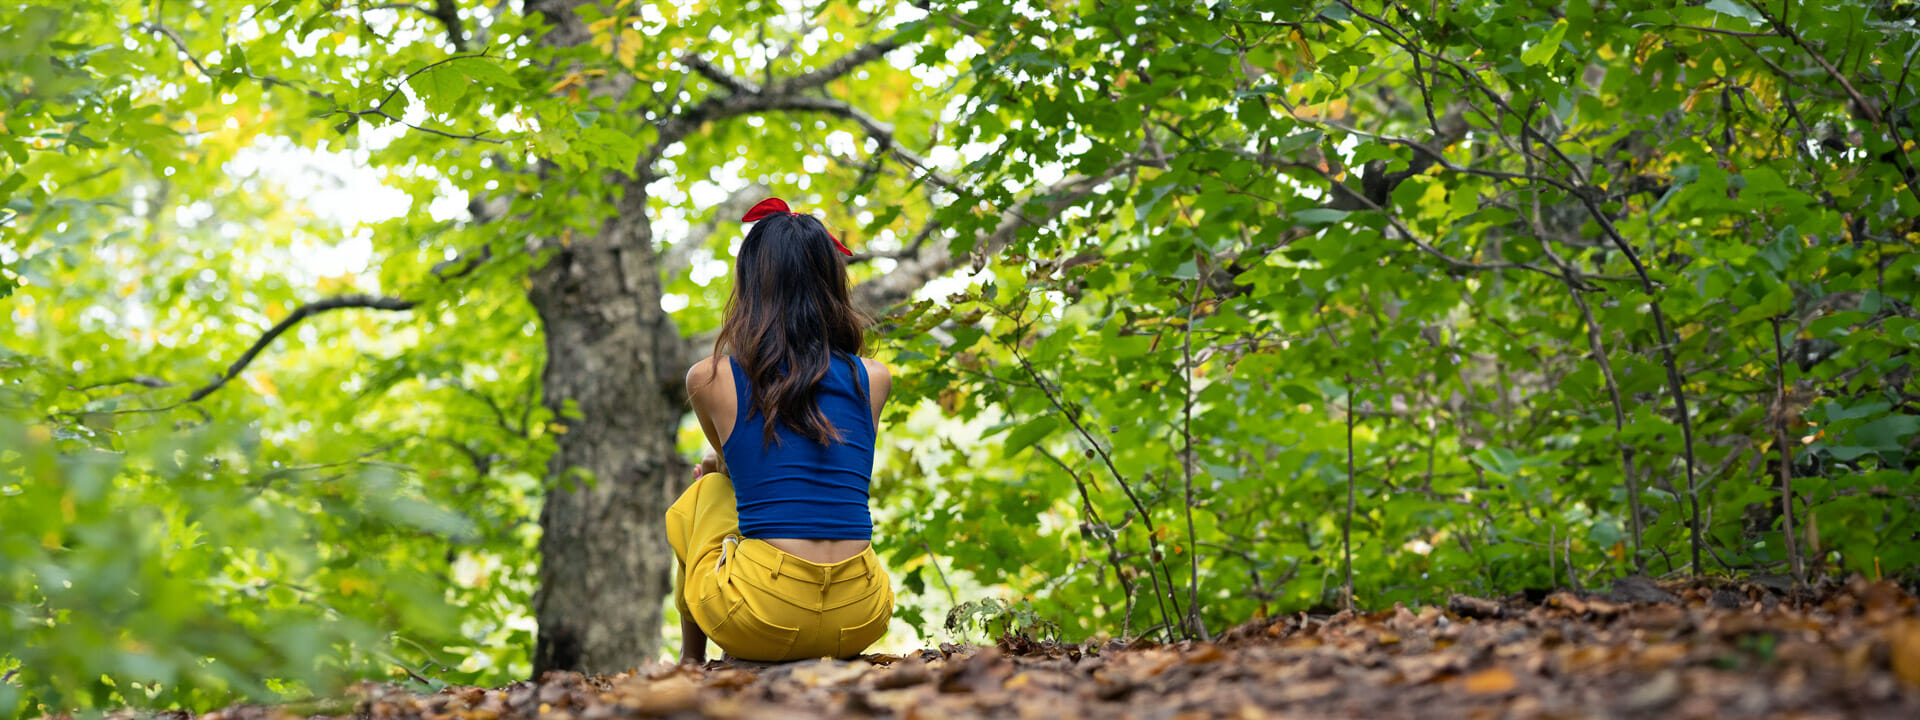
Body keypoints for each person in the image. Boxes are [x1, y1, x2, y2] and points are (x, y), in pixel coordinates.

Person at [668, 197, 895, 664]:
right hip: (861, 614)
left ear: (750, 286)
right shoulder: (872, 378)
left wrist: (716, 468)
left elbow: (736, 473)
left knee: (705, 490)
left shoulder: (709, 378)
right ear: (833, 284)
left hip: (763, 614)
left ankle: (691, 662)